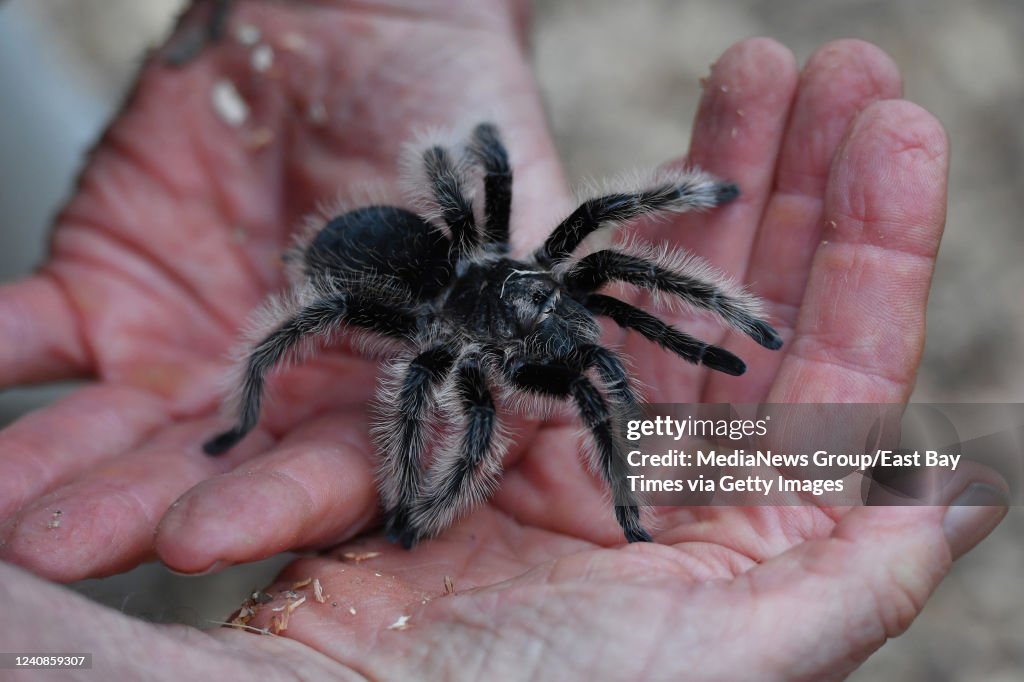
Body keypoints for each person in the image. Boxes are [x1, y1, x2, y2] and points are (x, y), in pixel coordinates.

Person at [0, 1, 1007, 678]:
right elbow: (432, 405)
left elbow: (608, 233)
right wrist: (416, 502)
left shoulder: (557, 277)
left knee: (609, 288)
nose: (566, 325)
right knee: (443, 406)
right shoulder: (447, 346)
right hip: (390, 272)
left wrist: (720, 315)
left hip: (469, 270)